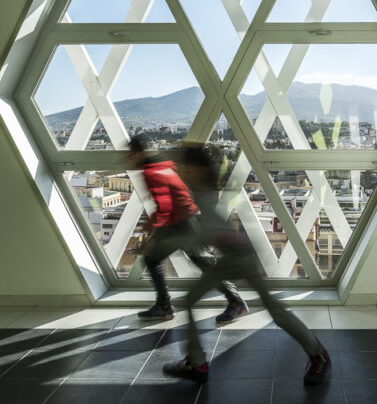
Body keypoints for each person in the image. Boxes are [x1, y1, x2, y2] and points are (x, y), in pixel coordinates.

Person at [161, 143, 330, 385]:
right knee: (268, 308)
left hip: (240, 256)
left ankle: (318, 353)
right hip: (233, 256)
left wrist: (189, 239)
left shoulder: (203, 190)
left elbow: (207, 226)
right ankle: (196, 363)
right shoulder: (199, 188)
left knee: (275, 310)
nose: (181, 170)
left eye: (184, 166)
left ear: (193, 168)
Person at [127, 136, 247, 324]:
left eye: (131, 155)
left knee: (158, 259)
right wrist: (150, 225)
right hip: (186, 220)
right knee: (200, 263)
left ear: (139, 153)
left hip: (180, 225)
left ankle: (235, 302)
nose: (129, 159)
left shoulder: (151, 172)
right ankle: (234, 302)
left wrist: (150, 233)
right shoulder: (163, 166)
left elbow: (164, 208)